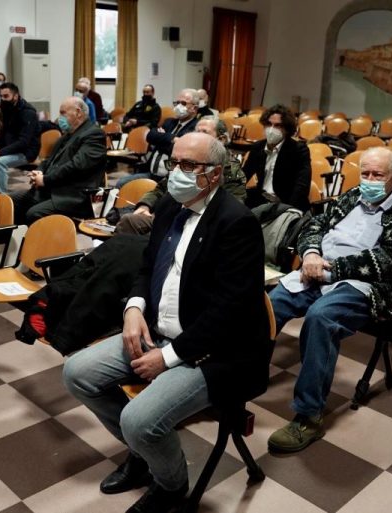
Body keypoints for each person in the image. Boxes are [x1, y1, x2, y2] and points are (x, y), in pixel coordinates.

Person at [63, 132, 270, 513]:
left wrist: (168, 357)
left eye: (188, 165)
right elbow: (147, 268)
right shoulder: (171, 207)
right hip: (159, 331)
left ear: (214, 174)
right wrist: (133, 309)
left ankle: (171, 485)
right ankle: (144, 454)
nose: (176, 172)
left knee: (138, 420)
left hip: (217, 352)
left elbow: (230, 311)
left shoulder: (236, 223)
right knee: (77, 372)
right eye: (174, 163)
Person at [266, 147, 392, 453]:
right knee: (270, 305)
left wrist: (332, 270)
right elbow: (314, 225)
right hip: (315, 269)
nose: (370, 180)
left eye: (378, 175)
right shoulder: (351, 197)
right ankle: (244, 378)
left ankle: (309, 415)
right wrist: (311, 253)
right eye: (365, 173)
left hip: (364, 285)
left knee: (321, 317)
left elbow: (391, 260)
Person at [116, 116, 246, 235]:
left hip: (199, 224)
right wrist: (145, 205)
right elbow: (161, 188)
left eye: (204, 133)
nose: (198, 137)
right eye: (196, 132)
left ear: (221, 139)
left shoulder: (230, 170)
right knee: (129, 221)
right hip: (169, 214)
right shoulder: (183, 160)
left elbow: (232, 210)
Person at [12, 96, 106, 224]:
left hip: (74, 195)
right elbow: (48, 160)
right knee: (13, 201)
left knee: (34, 213)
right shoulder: (68, 134)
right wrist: (39, 171)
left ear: (78, 112)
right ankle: (21, 236)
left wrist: (45, 180)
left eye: (63, 113)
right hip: (54, 188)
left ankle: (43, 238)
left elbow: (76, 166)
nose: (60, 118)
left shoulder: (94, 134)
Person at [116, 88, 199, 188]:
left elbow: (178, 151)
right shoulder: (169, 122)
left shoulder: (196, 128)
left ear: (194, 108)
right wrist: (172, 139)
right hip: (150, 173)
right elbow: (150, 136)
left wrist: (161, 139)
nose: (178, 106)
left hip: (169, 180)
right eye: (177, 103)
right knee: (121, 184)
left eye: (183, 103)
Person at [243, 104, 311, 212]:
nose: (271, 129)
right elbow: (244, 175)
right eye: (269, 124)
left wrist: (288, 210)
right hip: (262, 199)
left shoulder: (298, 150)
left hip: (286, 203)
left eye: (278, 125)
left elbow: (302, 186)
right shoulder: (258, 147)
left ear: (287, 129)